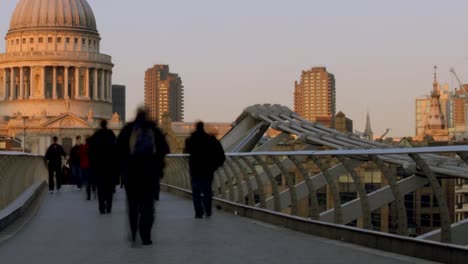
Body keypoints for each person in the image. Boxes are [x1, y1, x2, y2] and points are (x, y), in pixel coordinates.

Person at [117, 107, 169, 246]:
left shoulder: (128, 129)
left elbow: (118, 151)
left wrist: (123, 169)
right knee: (147, 206)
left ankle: (134, 230)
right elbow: (165, 149)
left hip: (131, 174)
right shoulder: (154, 130)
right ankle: (145, 234)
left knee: (132, 205)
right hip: (149, 174)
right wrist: (158, 165)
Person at [185, 121, 225, 218]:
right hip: (208, 169)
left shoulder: (190, 140)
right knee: (207, 190)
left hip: (195, 169)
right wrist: (215, 166)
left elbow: (186, 151)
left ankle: (198, 212)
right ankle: (208, 210)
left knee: (196, 192)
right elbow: (221, 155)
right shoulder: (211, 139)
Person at [89, 120, 118, 214]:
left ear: (100, 125)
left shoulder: (97, 135)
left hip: (99, 166)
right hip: (110, 165)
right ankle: (109, 205)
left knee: (100, 187)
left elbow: (91, 150)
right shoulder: (111, 134)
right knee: (109, 187)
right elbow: (116, 149)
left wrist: (92, 164)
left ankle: (101, 206)